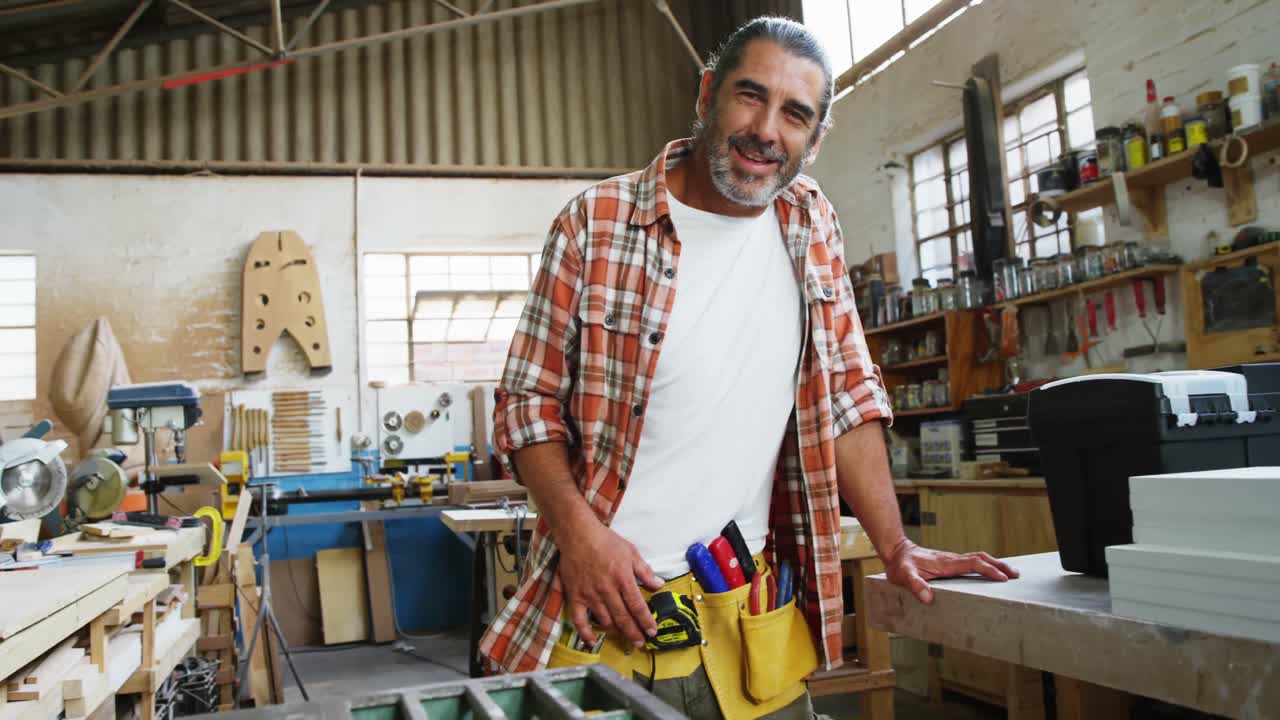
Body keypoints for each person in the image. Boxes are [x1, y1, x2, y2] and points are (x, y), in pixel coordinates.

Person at [480, 15, 1018, 719]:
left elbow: (849, 396)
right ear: (707, 93)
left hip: (748, 626)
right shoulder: (596, 223)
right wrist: (582, 540)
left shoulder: (811, 224)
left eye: (795, 114)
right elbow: (526, 406)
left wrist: (895, 545)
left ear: (816, 139)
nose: (766, 129)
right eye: (749, 95)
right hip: (603, 613)